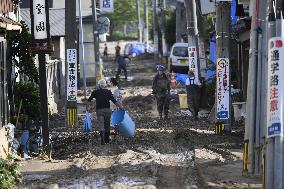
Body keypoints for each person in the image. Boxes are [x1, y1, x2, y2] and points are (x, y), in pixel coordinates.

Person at [87, 79, 123, 145]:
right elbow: (114, 101)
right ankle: (107, 140)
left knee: (101, 124)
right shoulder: (108, 92)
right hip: (107, 110)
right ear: (105, 85)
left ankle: (102, 139)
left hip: (99, 110)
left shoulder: (95, 92)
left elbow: (89, 99)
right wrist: (121, 107)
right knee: (107, 125)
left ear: (99, 85)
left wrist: (89, 107)